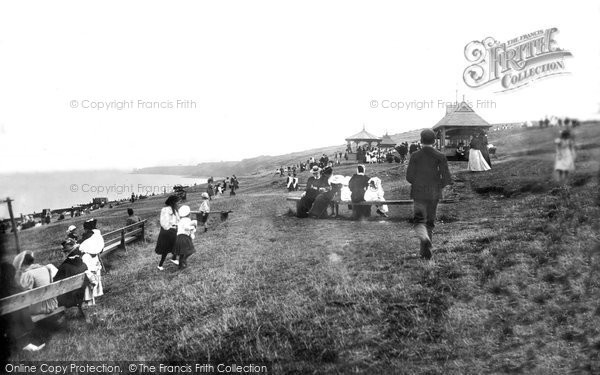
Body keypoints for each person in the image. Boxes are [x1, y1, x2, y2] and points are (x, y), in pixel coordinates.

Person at [406, 129, 452, 260]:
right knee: (430, 223)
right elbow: (447, 178)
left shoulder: (415, 156)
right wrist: (438, 186)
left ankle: (424, 244)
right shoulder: (440, 156)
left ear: (421, 141)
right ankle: (426, 253)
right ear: (434, 141)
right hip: (434, 194)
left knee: (419, 221)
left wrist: (418, 183)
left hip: (418, 193)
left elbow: (409, 177)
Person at [0, 262, 45, 356]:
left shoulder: (3, 290)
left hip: (8, 321)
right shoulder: (17, 288)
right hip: (22, 322)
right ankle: (27, 344)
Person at [54, 239, 88, 315]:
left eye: (63, 252)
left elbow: (56, 284)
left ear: (66, 253)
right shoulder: (84, 265)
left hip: (68, 299)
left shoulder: (64, 267)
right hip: (81, 296)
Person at [79, 219, 104, 305]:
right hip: (95, 257)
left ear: (87, 228)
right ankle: (97, 292)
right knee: (96, 274)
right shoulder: (98, 234)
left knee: (89, 275)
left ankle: (89, 296)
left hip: (88, 257)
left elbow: (81, 246)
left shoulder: (87, 235)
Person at [155, 195, 180, 270]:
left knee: (175, 245)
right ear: (173, 202)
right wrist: (170, 229)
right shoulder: (165, 210)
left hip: (174, 230)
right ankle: (160, 265)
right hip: (168, 231)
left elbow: (177, 220)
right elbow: (164, 222)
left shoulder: (175, 210)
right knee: (166, 249)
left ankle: (174, 258)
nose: (178, 204)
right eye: (177, 202)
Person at [173, 205, 197, 270]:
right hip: (184, 238)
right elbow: (187, 228)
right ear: (189, 214)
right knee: (190, 251)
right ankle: (183, 260)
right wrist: (193, 227)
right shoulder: (187, 220)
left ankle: (181, 265)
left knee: (182, 253)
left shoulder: (180, 221)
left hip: (178, 238)